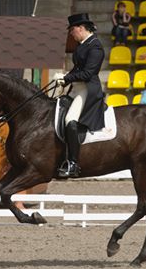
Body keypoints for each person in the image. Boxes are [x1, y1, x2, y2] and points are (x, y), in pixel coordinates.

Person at [56, 13, 105, 178]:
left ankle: (73, 163)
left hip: (86, 89)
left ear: (81, 28)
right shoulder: (82, 44)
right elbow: (77, 68)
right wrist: (64, 79)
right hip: (75, 88)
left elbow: (88, 73)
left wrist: (66, 78)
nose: (71, 33)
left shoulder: (95, 46)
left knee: (70, 120)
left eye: (72, 30)